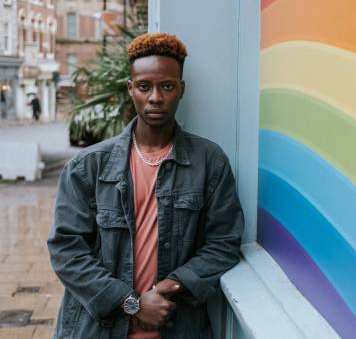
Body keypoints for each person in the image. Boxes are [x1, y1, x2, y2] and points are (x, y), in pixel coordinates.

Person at [48, 32, 245, 339]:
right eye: (144, 86)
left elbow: (224, 242)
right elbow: (67, 252)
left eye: (167, 86)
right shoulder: (88, 167)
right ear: (131, 89)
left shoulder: (209, 162)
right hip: (97, 329)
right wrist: (132, 304)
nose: (155, 97)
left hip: (178, 328)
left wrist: (177, 283)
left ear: (181, 89)